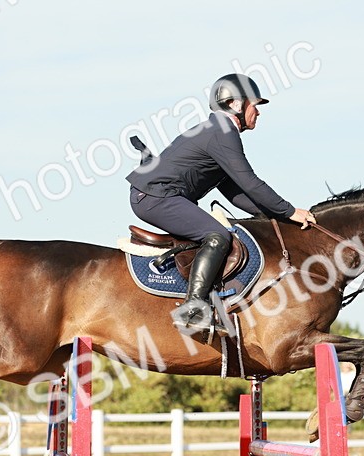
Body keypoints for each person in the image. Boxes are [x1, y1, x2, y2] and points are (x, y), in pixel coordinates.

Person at [127, 73, 315, 338]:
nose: (258, 112)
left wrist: (268, 217)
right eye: (254, 105)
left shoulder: (218, 131)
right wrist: (289, 211)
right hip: (155, 196)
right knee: (218, 236)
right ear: (237, 105)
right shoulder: (222, 133)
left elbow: (233, 190)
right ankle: (193, 309)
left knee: (219, 232)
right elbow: (250, 182)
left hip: (155, 195)